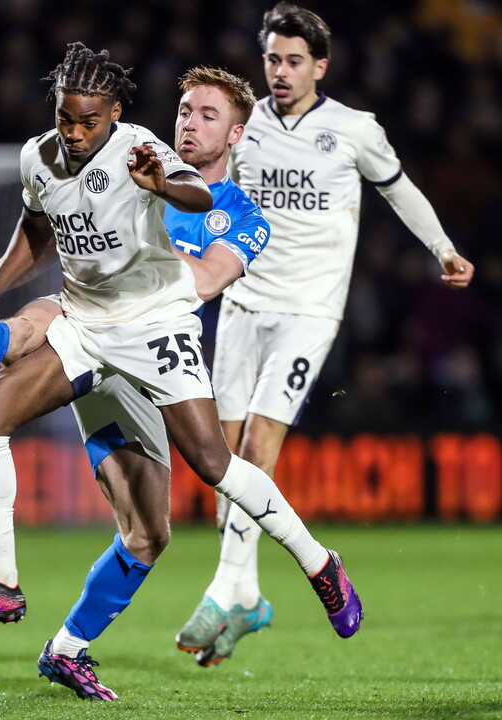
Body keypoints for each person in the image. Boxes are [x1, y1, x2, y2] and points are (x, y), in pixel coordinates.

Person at [0, 43, 361, 700]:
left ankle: (319, 563)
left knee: (207, 470)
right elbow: (38, 229)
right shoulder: (40, 157)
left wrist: (160, 187)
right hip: (84, 322)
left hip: (156, 327)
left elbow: (197, 213)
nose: (73, 132)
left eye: (208, 114)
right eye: (186, 108)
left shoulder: (165, 167)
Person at [175, 2, 475, 667]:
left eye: (293, 62)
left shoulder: (353, 130)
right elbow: (206, 192)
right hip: (243, 303)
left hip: (309, 312)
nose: (280, 73)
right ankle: (249, 596)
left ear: (320, 66)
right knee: (222, 464)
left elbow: (399, 190)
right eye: (272, 60)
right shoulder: (243, 131)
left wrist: (442, 248)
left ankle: (224, 589)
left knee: (259, 441)